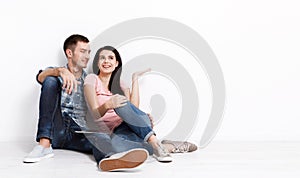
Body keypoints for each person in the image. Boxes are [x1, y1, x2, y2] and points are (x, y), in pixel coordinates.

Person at [23, 34, 149, 172]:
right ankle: (44, 145)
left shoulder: (90, 80)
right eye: (83, 51)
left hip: (78, 131)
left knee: (100, 136)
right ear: (69, 53)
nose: (87, 56)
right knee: (50, 80)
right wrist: (59, 71)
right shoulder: (57, 72)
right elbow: (40, 77)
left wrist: (137, 116)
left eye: (89, 52)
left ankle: (110, 159)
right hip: (57, 128)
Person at [84, 46, 174, 162]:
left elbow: (133, 109)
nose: (106, 61)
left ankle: (154, 142)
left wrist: (135, 78)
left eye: (110, 58)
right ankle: (165, 147)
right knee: (117, 147)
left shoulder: (120, 84)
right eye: (102, 58)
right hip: (115, 132)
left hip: (131, 125)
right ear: (97, 63)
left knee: (120, 102)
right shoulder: (91, 79)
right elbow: (94, 114)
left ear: (116, 63)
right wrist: (107, 105)